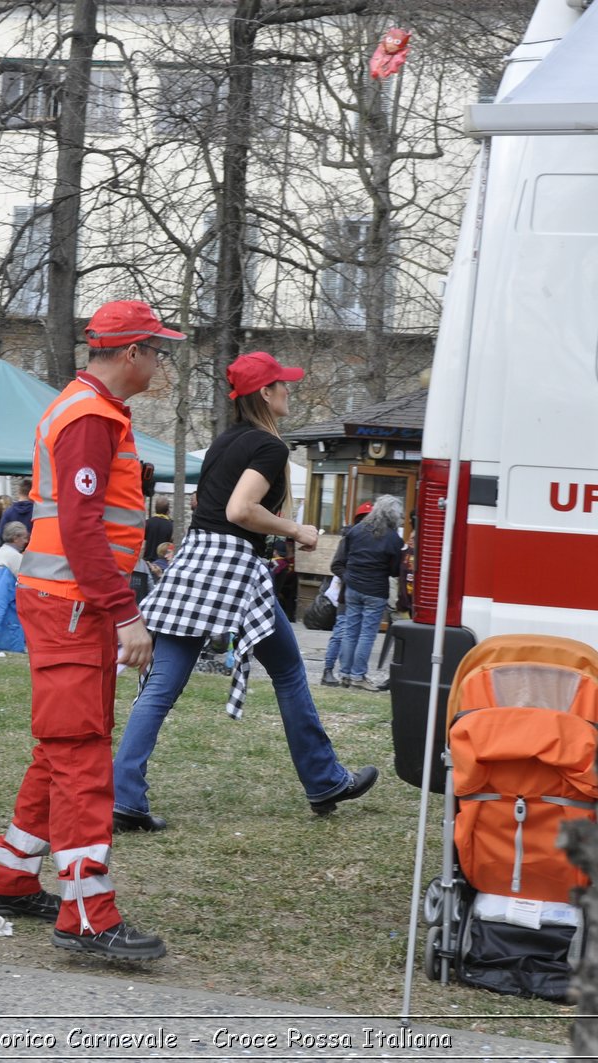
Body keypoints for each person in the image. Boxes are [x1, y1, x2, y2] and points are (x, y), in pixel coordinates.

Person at [0, 298, 179, 962]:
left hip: (66, 602)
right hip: (74, 605)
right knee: (81, 754)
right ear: (131, 353)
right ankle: (88, 914)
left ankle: (11, 878)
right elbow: (82, 529)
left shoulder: (89, 410)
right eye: (159, 350)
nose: (161, 362)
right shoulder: (90, 417)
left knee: (61, 748)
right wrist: (127, 613)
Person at [112, 351, 379, 832]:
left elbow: (213, 507)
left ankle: (125, 796)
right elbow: (240, 510)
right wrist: (296, 530)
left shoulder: (225, 442)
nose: (288, 391)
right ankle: (323, 780)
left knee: (163, 686)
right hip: (232, 569)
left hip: (196, 563)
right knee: (290, 670)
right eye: (283, 385)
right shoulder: (268, 447)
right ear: (264, 393)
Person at [329, 495, 405, 691]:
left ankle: (344, 674)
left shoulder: (356, 530)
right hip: (375, 590)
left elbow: (344, 558)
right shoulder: (393, 539)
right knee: (366, 634)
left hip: (352, 588)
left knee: (350, 631)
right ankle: (358, 675)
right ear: (393, 516)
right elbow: (395, 570)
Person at [320, 502, 374, 687]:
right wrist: (351, 579)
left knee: (353, 633)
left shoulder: (371, 540)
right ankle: (328, 670)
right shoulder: (349, 539)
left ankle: (347, 674)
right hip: (347, 594)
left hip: (357, 592)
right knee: (341, 631)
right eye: (364, 518)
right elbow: (336, 565)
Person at [143, 496, 173, 562]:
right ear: (168, 510)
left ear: (155, 508)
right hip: (162, 562)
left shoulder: (147, 523)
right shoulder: (171, 525)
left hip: (147, 561)